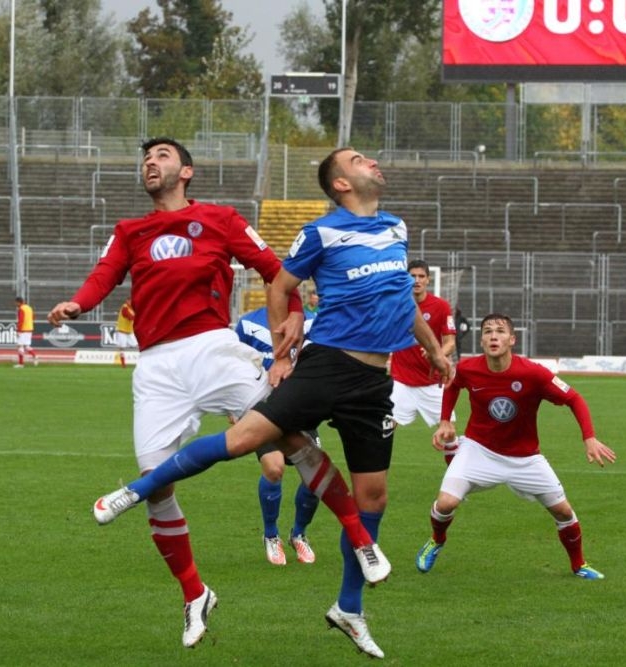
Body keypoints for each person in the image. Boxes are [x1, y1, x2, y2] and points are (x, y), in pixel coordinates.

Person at [92, 147, 453, 659]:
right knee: (248, 440)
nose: (372, 161)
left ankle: (349, 609)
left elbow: (400, 298)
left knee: (373, 498)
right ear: (341, 183)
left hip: (376, 383)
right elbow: (280, 284)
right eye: (359, 159)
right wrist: (285, 348)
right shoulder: (320, 232)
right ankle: (138, 489)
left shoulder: (397, 228)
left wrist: (433, 348)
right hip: (328, 365)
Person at [46, 137, 311, 649]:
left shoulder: (221, 219)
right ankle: (195, 593)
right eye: (146, 158)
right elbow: (104, 275)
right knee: (156, 484)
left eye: (162, 156)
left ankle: (358, 536)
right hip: (157, 364)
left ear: (186, 171)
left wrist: (293, 312)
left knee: (289, 439)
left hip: (212, 346)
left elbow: (275, 270)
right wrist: (77, 304)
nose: (151, 162)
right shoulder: (129, 231)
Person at [415, 313, 617, 581]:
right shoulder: (468, 368)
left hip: (525, 458)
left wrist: (589, 437)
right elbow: (453, 385)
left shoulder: (533, 373)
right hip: (479, 449)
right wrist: (444, 421)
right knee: (445, 503)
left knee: (563, 511)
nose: (493, 336)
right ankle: (436, 541)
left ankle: (579, 564)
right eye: (487, 331)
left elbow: (574, 398)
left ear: (512, 339)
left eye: (499, 331)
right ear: (482, 340)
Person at [235, 296, 319, 565]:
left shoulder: (312, 322)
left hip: (302, 407)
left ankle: (299, 534)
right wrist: (234, 409)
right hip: (264, 408)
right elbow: (235, 367)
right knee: (274, 468)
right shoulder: (248, 324)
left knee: (315, 478)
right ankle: (271, 535)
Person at [389, 260, 459, 464]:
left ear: (428, 279)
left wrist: (436, 353)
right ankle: (373, 482)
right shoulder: (397, 305)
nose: (417, 280)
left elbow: (450, 343)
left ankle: (455, 482)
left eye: (421, 276)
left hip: (431, 382)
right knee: (383, 429)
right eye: (412, 276)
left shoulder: (441, 306)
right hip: (400, 380)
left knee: (449, 433)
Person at [14, 296, 39, 368]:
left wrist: (18, 330)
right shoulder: (29, 308)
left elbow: (21, 320)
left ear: (18, 302)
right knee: (27, 346)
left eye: (16, 302)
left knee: (20, 345)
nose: (15, 304)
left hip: (23, 330)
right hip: (30, 329)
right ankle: (35, 356)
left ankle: (21, 363)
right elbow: (33, 317)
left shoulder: (21, 309)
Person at [114, 299, 137, 368]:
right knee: (122, 347)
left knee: (136, 345)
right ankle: (123, 364)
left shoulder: (133, 308)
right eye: (129, 301)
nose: (130, 302)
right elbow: (128, 316)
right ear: (126, 301)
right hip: (122, 330)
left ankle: (141, 361)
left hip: (130, 331)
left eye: (131, 301)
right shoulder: (125, 307)